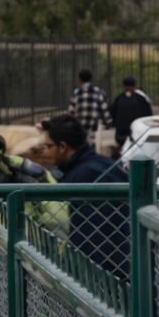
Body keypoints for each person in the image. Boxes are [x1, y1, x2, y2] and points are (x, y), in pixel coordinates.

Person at [36, 115, 130, 275]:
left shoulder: (85, 176)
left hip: (102, 272)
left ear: (62, 146)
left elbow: (91, 235)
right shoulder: (104, 164)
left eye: (48, 146)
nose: (44, 151)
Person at [109, 76, 155, 150]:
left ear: (123, 87)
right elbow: (149, 116)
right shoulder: (141, 99)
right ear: (135, 86)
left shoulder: (118, 99)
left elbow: (113, 116)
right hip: (139, 135)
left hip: (121, 137)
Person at [67, 70, 110, 141]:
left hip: (79, 127)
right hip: (94, 127)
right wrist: (108, 122)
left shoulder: (76, 92)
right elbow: (104, 108)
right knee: (92, 144)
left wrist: (69, 123)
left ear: (80, 79)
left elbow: (71, 111)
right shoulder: (98, 91)